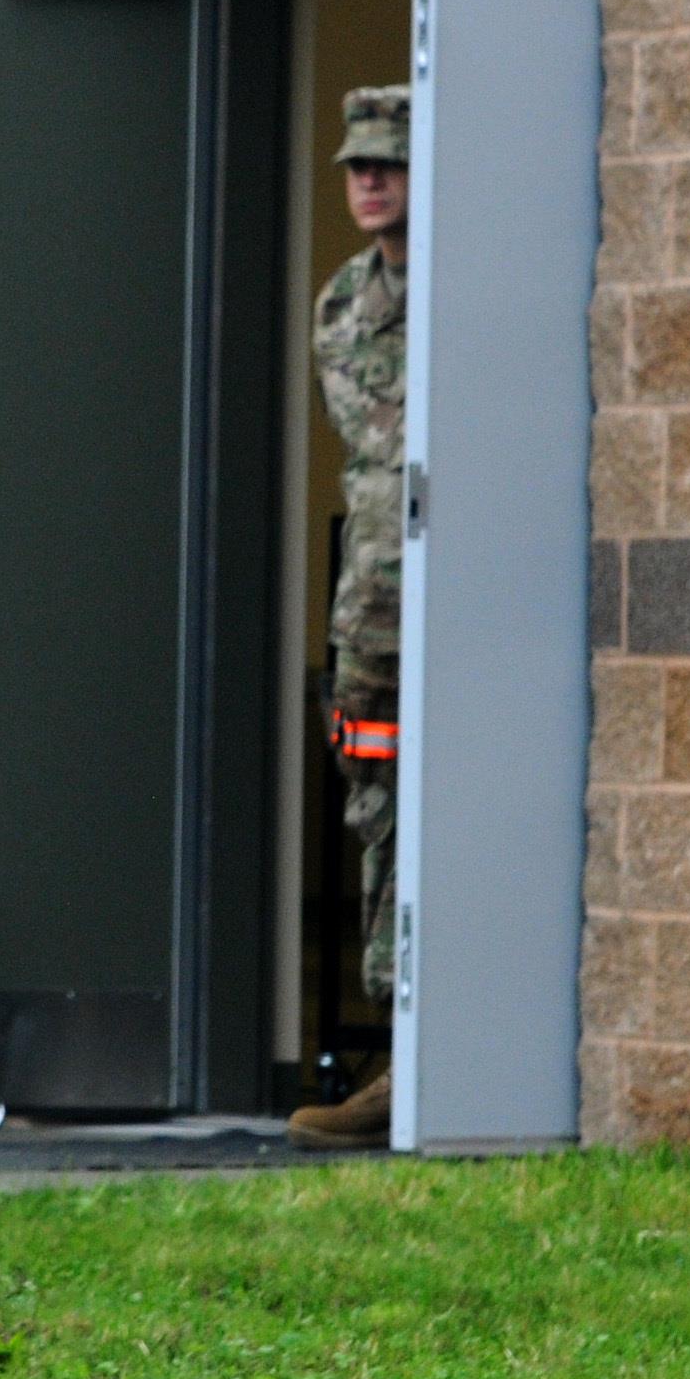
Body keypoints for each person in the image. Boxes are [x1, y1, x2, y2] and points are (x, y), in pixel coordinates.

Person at [289, 83, 409, 1150]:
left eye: (388, 162)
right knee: (378, 803)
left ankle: (436, 1059)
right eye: (355, 166)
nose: (367, 180)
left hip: (461, 609)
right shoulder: (343, 302)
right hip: (371, 607)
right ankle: (393, 1046)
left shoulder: (468, 293)